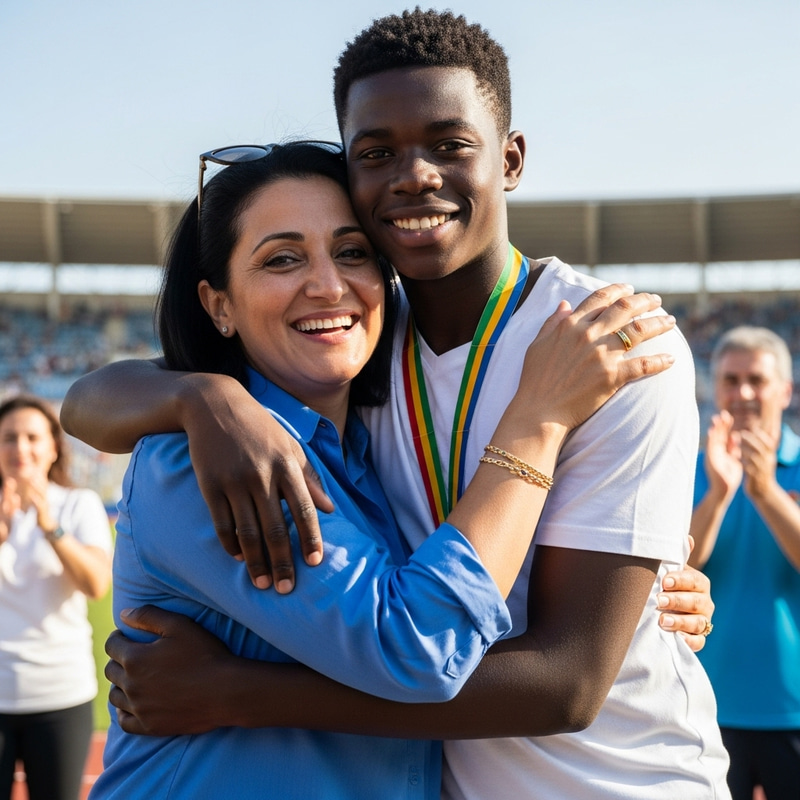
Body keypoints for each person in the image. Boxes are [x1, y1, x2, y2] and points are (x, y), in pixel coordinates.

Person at [63, 9, 728, 799]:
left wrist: (236, 692)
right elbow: (91, 401)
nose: (414, 175)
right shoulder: (354, 357)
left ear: (511, 159)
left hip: (626, 782)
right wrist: (199, 396)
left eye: (450, 144)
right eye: (377, 153)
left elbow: (570, 683)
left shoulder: (603, 345)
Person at [689, 326, 800, 800]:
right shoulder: (690, 469)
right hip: (706, 705)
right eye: (731, 381)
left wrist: (766, 492)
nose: (744, 393)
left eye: (757, 379)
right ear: (715, 390)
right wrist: (718, 494)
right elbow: (676, 570)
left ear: (785, 391)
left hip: (793, 708)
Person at [0, 395, 112, 800]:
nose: (21, 448)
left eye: (32, 437)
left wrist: (50, 526)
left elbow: (96, 585)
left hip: (59, 694)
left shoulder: (78, 505)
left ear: (53, 447)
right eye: (9, 438)